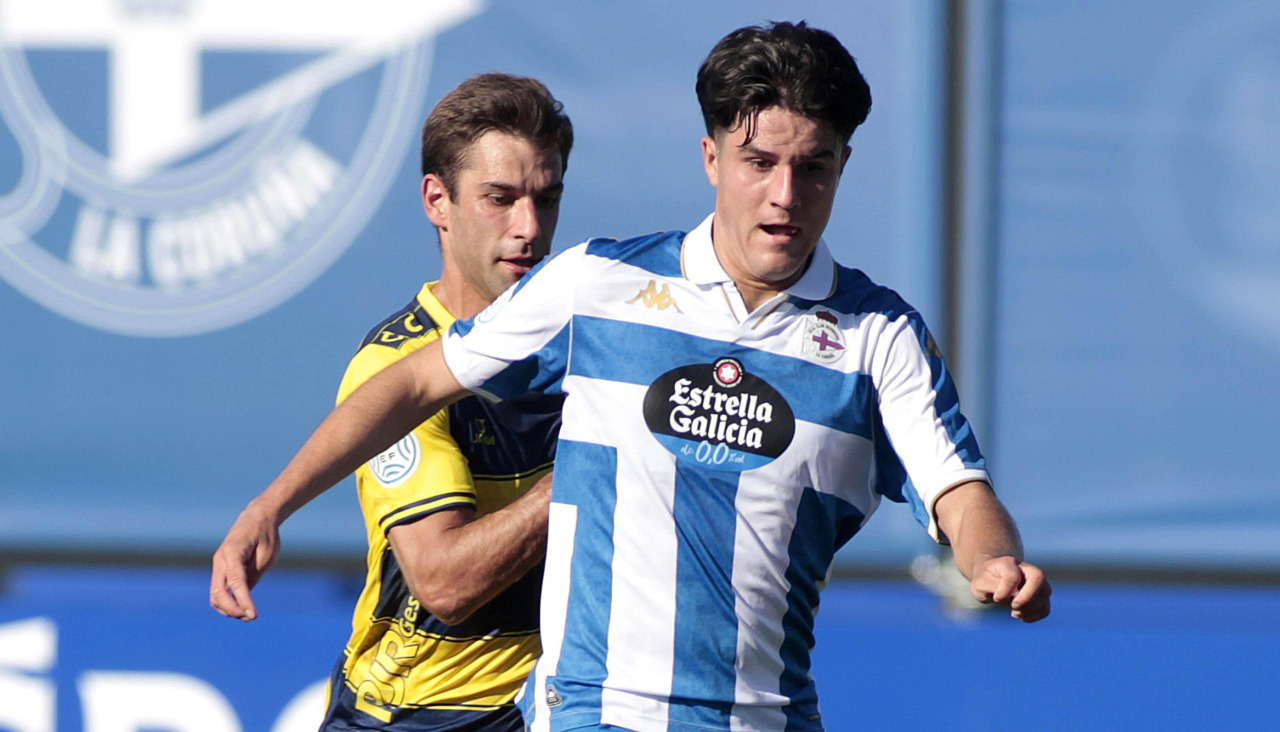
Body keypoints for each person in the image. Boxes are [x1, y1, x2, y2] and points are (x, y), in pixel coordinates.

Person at [217, 21, 1051, 732]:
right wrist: (271, 504)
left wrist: (993, 560)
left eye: (816, 168)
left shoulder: (881, 336)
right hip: (573, 711)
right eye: (759, 162)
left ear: (842, 166)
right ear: (711, 156)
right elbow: (411, 384)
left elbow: (960, 493)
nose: (785, 195)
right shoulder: (599, 287)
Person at [209, 72, 574, 731]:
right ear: (438, 200)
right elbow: (444, 583)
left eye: (545, 200)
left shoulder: (591, 332)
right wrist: (589, 466)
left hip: (545, 704)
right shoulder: (394, 369)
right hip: (418, 713)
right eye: (500, 198)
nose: (528, 227)